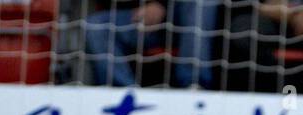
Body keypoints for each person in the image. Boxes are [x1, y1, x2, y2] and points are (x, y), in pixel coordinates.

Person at [84, 0, 224, 88]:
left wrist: (160, 3)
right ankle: (124, 95)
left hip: (187, 14)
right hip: (139, 19)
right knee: (97, 25)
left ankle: (193, 85)